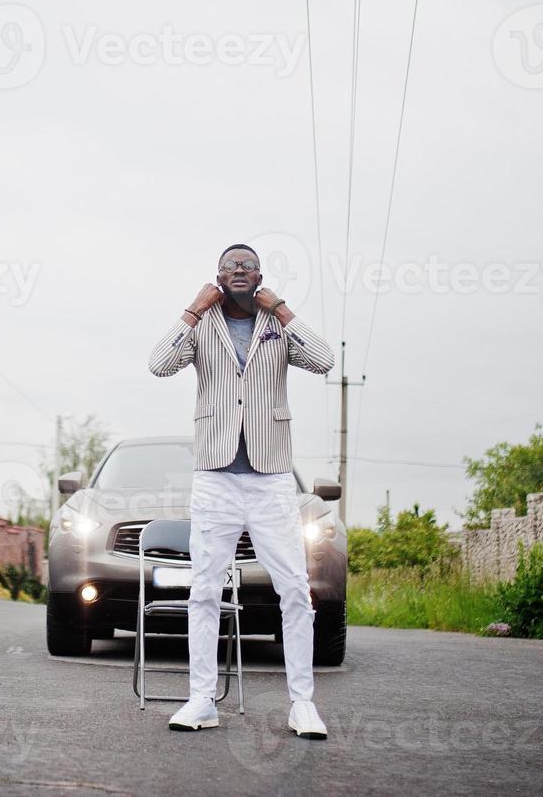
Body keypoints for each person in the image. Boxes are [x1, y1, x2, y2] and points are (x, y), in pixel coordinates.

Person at [148, 243, 335, 739]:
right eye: (230, 265)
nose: (239, 271)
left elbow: (324, 360)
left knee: (294, 588)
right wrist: (193, 309)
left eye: (248, 266)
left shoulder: (276, 323)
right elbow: (158, 364)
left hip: (271, 477)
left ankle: (303, 704)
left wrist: (282, 309)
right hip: (215, 476)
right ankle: (202, 699)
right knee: (205, 590)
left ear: (260, 277)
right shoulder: (204, 323)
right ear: (217, 275)